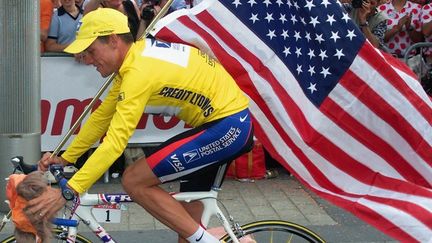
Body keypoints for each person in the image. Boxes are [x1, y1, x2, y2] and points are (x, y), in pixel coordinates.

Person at [27, 8, 253, 243]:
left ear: (113, 40)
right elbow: (101, 118)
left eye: (91, 51)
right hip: (223, 125)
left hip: (227, 127)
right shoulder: (133, 62)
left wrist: (70, 190)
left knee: (134, 179)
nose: (88, 60)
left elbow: (115, 142)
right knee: (186, 233)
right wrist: (66, 158)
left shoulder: (138, 71)